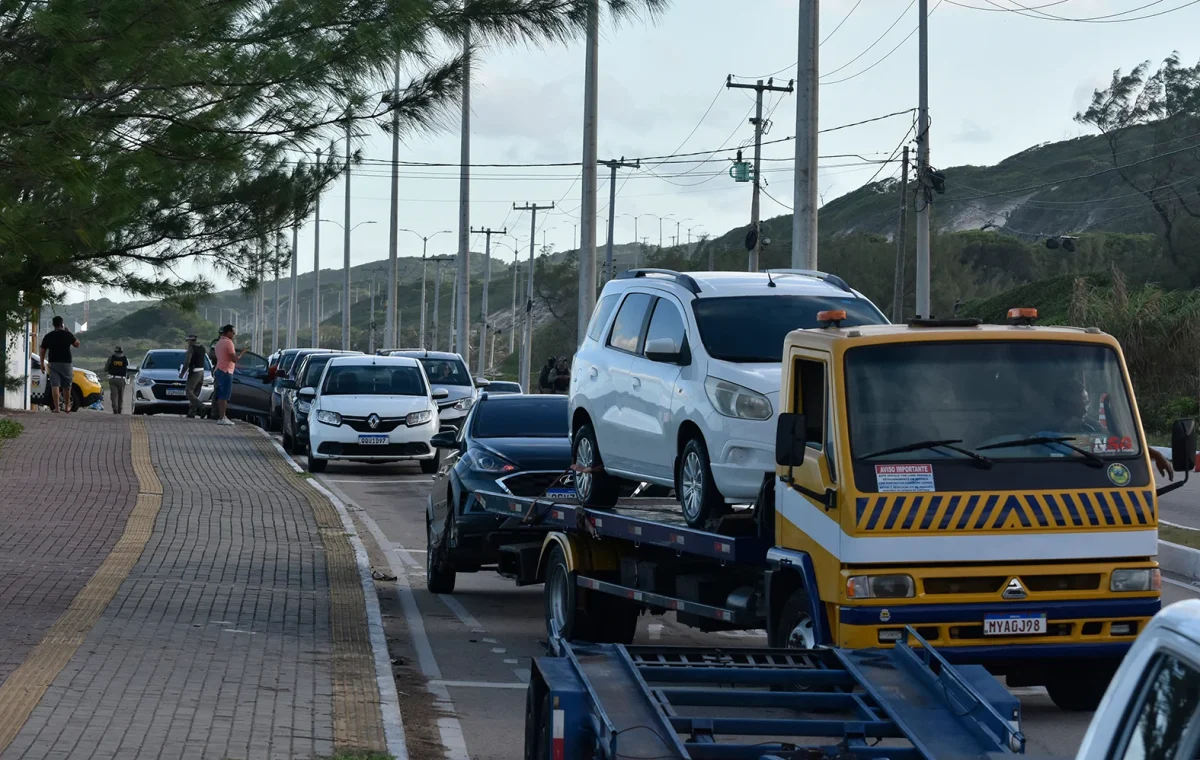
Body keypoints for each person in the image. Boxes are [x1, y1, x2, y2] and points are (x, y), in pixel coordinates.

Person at [38, 316, 79, 413]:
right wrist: (70, 333)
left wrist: (42, 363)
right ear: (62, 324)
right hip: (66, 363)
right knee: (67, 385)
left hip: (53, 363)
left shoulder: (49, 336)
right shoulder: (67, 334)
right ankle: (67, 407)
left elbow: (42, 351)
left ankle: (57, 408)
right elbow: (77, 344)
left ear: (53, 325)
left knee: (55, 385)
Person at [213, 324, 249, 426]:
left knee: (221, 395)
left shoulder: (219, 342)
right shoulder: (228, 343)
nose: (234, 334)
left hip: (219, 369)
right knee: (224, 395)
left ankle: (222, 416)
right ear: (228, 332)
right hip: (226, 371)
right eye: (233, 332)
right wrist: (242, 352)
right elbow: (234, 359)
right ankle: (222, 417)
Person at [179, 334, 207, 418]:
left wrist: (182, 374)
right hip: (202, 371)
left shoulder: (191, 349)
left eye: (188, 341)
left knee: (189, 391)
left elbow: (187, 362)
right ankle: (192, 412)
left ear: (190, 341)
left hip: (195, 372)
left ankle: (202, 406)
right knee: (196, 393)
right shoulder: (202, 348)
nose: (188, 343)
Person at [103, 346, 129, 415]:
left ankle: (115, 409)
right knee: (121, 396)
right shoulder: (125, 359)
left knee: (114, 396)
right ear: (122, 352)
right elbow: (128, 368)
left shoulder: (111, 358)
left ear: (115, 351)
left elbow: (105, 368)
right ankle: (120, 409)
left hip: (113, 379)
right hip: (122, 379)